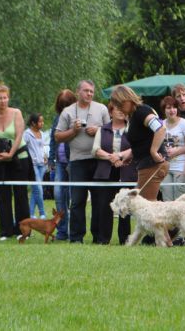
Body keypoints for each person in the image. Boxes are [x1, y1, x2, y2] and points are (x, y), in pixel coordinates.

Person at [55, 80, 110, 244]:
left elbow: (111, 132)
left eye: (92, 91)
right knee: (77, 201)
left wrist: (99, 130)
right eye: (86, 91)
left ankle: (99, 238)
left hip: (99, 160)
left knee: (99, 201)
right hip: (77, 161)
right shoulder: (68, 112)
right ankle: (76, 238)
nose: (89, 94)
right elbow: (57, 137)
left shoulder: (102, 109)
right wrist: (74, 130)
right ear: (78, 91)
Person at [0, 83, 30, 240]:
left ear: (8, 98)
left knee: (20, 194)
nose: (3, 101)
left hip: (18, 157)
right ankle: (5, 231)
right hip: (0, 158)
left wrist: (11, 153)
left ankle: (23, 230)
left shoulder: (16, 113)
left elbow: (18, 135)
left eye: (5, 97)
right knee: (3, 194)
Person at [110, 85, 169, 202]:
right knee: (145, 206)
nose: (118, 108)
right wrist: (131, 154)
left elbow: (161, 129)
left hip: (152, 164)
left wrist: (154, 151)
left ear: (128, 99)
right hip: (146, 164)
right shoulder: (134, 116)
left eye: (119, 104)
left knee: (147, 206)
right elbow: (143, 140)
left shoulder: (142, 111)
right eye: (116, 105)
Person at [91, 104, 135, 245]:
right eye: (118, 109)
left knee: (125, 206)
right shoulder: (102, 129)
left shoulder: (132, 128)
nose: (121, 111)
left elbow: (135, 148)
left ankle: (125, 239)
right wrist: (112, 157)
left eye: (123, 109)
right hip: (105, 172)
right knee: (105, 206)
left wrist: (120, 157)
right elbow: (95, 150)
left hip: (127, 171)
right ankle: (103, 239)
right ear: (111, 112)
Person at [49, 89, 76, 241]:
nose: (64, 107)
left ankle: (73, 230)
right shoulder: (57, 118)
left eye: (67, 104)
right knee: (59, 194)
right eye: (62, 105)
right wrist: (51, 160)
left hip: (73, 161)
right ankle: (62, 231)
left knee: (74, 197)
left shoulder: (76, 119)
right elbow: (53, 140)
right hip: (59, 162)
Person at [159, 95, 185, 202]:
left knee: (180, 205)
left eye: (174, 107)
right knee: (168, 203)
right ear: (164, 110)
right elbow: (157, 146)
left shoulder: (184, 123)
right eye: (168, 108)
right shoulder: (161, 124)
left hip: (181, 168)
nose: (172, 110)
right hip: (165, 169)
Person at [24, 113, 47, 219]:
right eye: (40, 121)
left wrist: (45, 156)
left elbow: (42, 148)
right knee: (38, 189)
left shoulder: (42, 133)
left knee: (35, 191)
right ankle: (42, 213)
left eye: (42, 121)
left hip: (42, 165)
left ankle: (31, 214)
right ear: (33, 123)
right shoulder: (27, 134)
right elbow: (24, 147)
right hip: (32, 165)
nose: (42, 123)